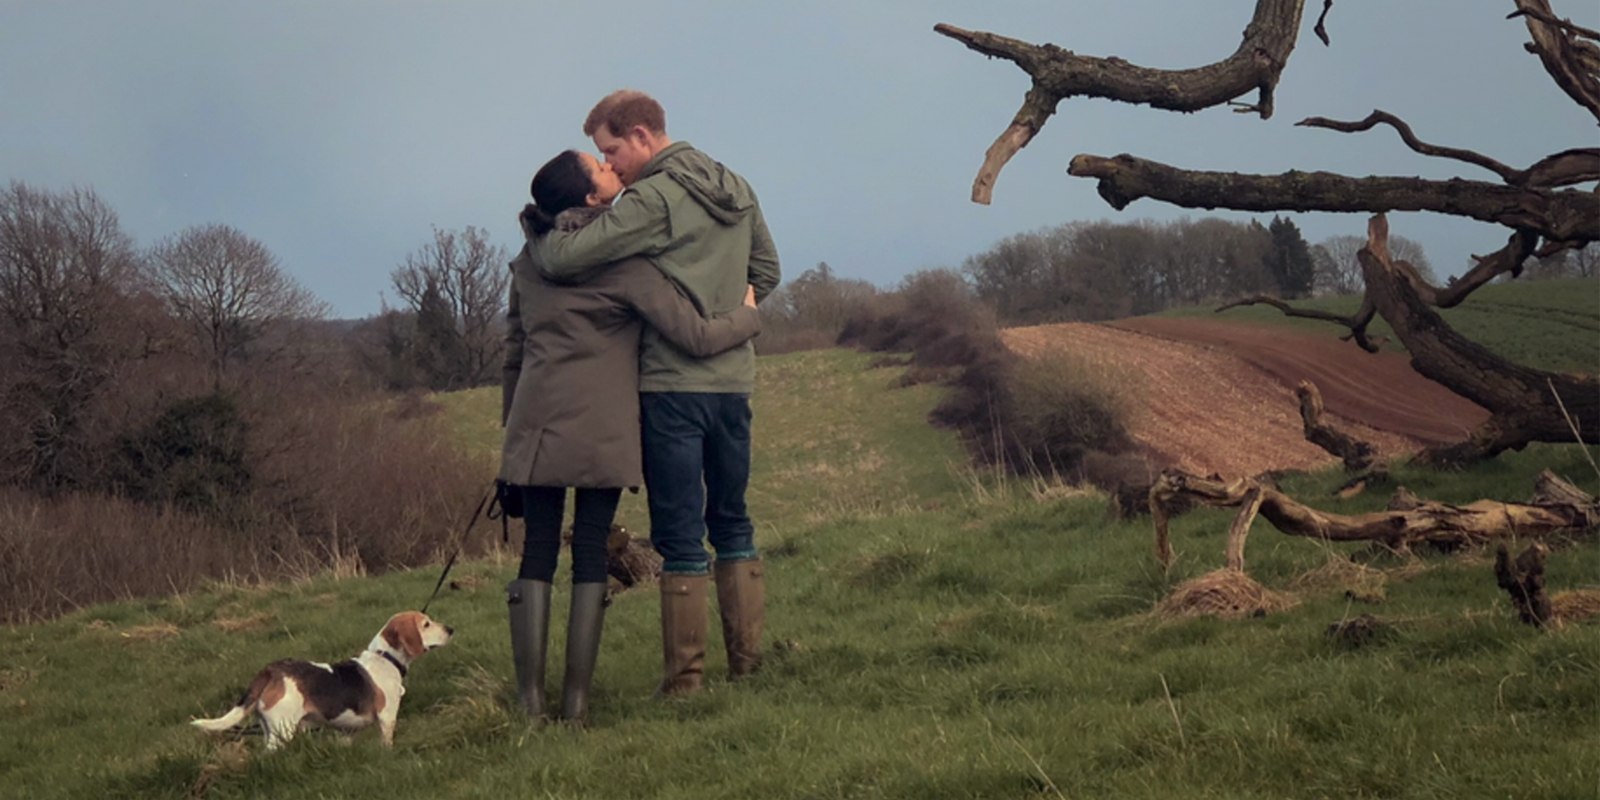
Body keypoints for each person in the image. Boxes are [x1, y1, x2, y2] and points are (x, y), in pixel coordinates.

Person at [530, 90, 780, 696]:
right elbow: (767, 272)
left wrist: (536, 234)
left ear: (642, 135)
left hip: (672, 383)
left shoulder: (653, 198)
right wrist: (734, 314)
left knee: (678, 531)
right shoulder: (736, 185)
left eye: (612, 149)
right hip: (733, 383)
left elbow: (569, 259)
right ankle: (748, 667)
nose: (610, 164)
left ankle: (685, 683)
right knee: (734, 521)